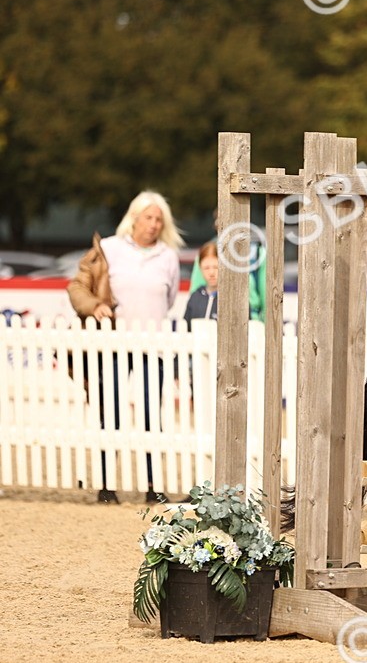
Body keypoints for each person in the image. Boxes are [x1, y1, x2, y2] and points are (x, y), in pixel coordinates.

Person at [67, 190, 184, 504]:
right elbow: (78, 285)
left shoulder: (169, 256)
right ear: (134, 218)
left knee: (151, 416)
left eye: (159, 219)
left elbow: (169, 298)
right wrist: (93, 306)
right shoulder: (108, 248)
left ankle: (153, 486)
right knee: (113, 414)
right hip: (115, 345)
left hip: (153, 346)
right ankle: (106, 486)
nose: (154, 224)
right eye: (149, 217)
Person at [189, 217, 266, 321]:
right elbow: (196, 296)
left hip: (252, 323)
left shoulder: (256, 255)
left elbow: (267, 299)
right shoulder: (207, 255)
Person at [183, 242, 219, 323]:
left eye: (216, 267)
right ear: (200, 268)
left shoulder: (232, 299)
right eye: (206, 268)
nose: (211, 273)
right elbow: (186, 327)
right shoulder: (195, 297)